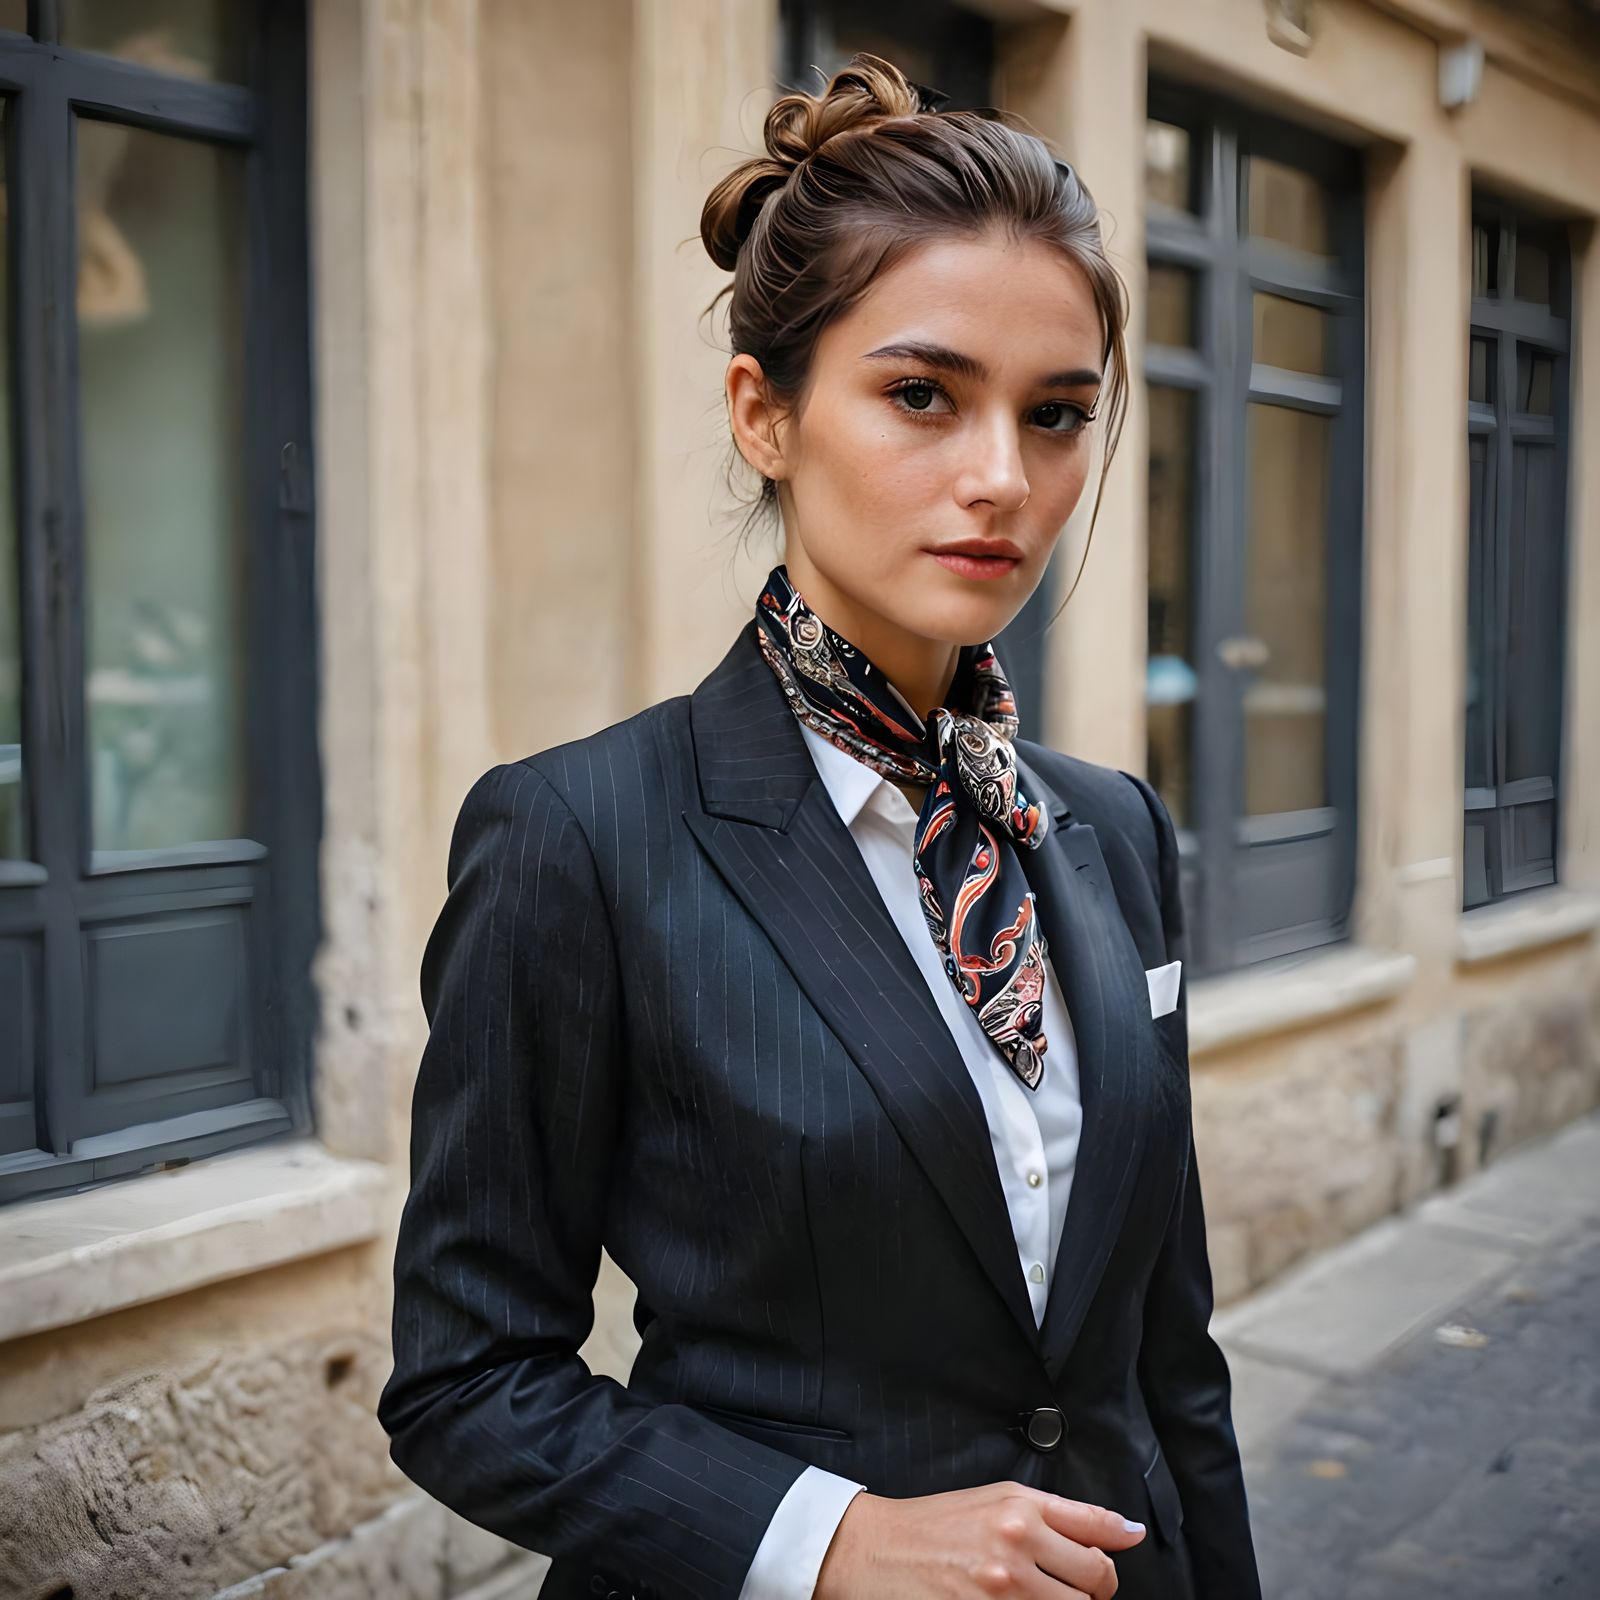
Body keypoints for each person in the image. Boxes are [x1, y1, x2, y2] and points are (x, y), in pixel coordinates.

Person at [378, 52, 1261, 1600]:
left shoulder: (1112, 830)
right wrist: (829, 1535)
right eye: (921, 395)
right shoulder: (576, 838)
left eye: (1058, 415)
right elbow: (467, 1387)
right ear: (764, 414)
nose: (1002, 479)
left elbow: (1165, 1355)